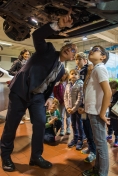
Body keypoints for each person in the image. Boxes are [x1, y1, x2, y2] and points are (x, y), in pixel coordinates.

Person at [0, 9, 76, 172]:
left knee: (41, 123)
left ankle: (36, 156)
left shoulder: (62, 71)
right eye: (68, 46)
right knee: (11, 126)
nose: (69, 49)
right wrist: (57, 25)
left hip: (37, 97)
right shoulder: (47, 50)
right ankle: (5, 156)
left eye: (73, 50)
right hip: (21, 91)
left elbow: (48, 86)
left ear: (72, 58)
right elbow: (37, 36)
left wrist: (48, 97)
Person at [82, 45, 112, 176]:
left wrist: (101, 112)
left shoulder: (100, 68)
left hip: (96, 112)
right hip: (92, 111)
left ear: (103, 57)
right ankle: (97, 170)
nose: (92, 50)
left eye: (96, 49)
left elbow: (108, 92)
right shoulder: (95, 69)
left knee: (101, 146)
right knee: (99, 144)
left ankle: (102, 173)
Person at [75, 52, 96, 163]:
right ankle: (90, 146)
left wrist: (85, 105)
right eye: (76, 59)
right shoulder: (78, 71)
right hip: (82, 105)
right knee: (85, 126)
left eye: (80, 59)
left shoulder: (89, 69)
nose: (78, 61)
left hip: (88, 106)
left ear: (85, 60)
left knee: (90, 127)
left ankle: (94, 151)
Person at [7, 49, 31, 124]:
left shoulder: (28, 62)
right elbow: (10, 71)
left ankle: (23, 116)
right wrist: (19, 74)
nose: (27, 56)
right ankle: (17, 118)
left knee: (24, 101)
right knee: (18, 102)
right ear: (22, 54)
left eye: (28, 54)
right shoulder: (17, 62)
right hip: (18, 84)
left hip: (25, 84)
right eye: (26, 54)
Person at [64, 69, 85, 150]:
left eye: (75, 74)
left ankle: (80, 139)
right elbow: (65, 96)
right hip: (70, 109)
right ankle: (75, 138)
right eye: (72, 74)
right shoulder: (68, 85)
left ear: (78, 76)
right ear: (69, 75)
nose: (73, 75)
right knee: (73, 124)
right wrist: (68, 107)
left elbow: (80, 98)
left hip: (77, 109)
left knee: (79, 124)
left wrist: (74, 108)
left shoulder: (80, 84)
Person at [53, 69, 71, 136]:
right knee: (61, 116)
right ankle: (62, 129)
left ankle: (68, 128)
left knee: (68, 115)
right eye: (62, 74)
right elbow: (56, 93)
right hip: (61, 103)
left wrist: (68, 101)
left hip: (68, 103)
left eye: (65, 74)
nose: (63, 75)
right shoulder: (57, 82)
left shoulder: (69, 82)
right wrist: (61, 101)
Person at [106, 80, 118, 147]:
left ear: (115, 89)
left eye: (111, 89)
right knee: (109, 125)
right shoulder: (110, 95)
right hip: (110, 113)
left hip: (115, 114)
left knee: (116, 127)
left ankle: (117, 139)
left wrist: (111, 104)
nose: (110, 91)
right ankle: (109, 135)